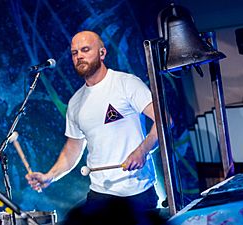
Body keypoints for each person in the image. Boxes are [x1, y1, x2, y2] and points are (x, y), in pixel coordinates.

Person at [26, 30, 164, 225]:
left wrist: (142, 150)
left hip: (138, 192)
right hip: (100, 195)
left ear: (102, 53)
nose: (79, 56)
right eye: (74, 53)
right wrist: (50, 176)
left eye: (85, 50)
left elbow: (163, 120)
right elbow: (73, 148)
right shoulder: (75, 102)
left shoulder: (126, 83)